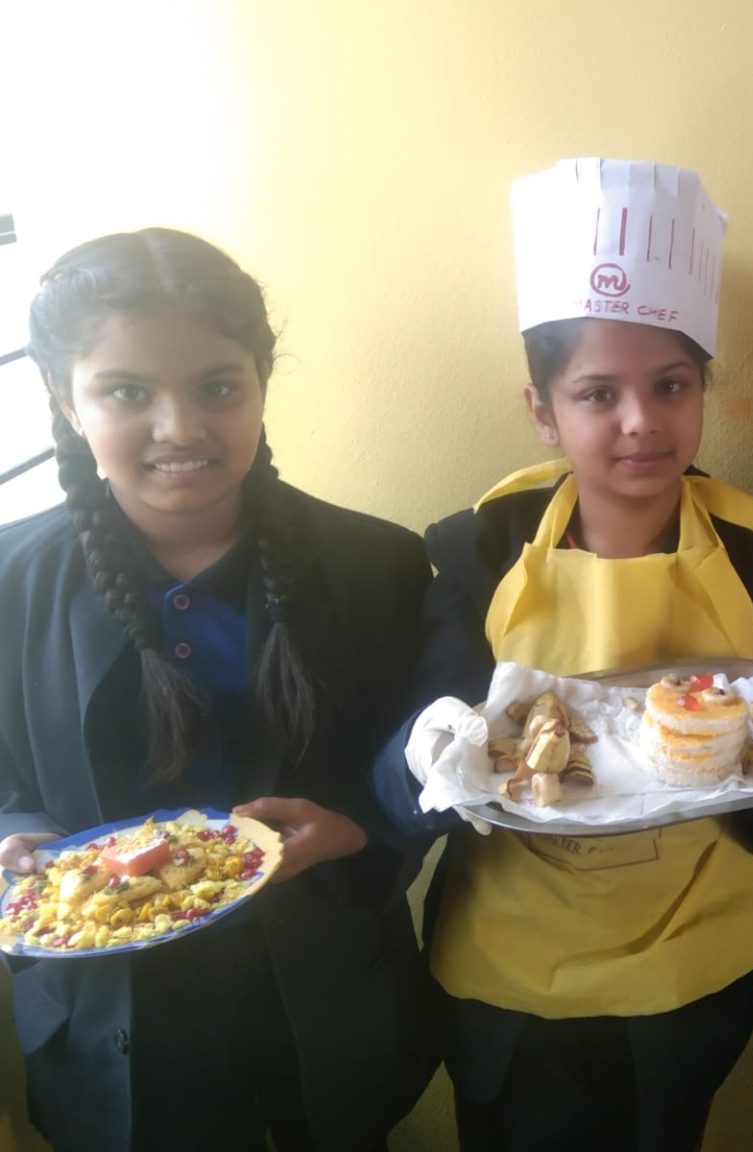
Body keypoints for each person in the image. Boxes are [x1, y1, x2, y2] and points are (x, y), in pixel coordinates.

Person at [370, 158, 753, 1152]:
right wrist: (427, 752)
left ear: (702, 391)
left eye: (671, 385)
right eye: (597, 394)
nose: (642, 421)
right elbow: (408, 766)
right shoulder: (477, 554)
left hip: (689, 974)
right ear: (543, 410)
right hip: (506, 975)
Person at [0, 228, 441, 1151]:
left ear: (260, 383)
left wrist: (362, 826)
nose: (179, 429)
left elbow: (430, 759)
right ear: (65, 401)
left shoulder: (381, 566)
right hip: (110, 1018)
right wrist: (15, 832)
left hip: (326, 995)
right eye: (127, 392)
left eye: (216, 387)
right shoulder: (9, 582)